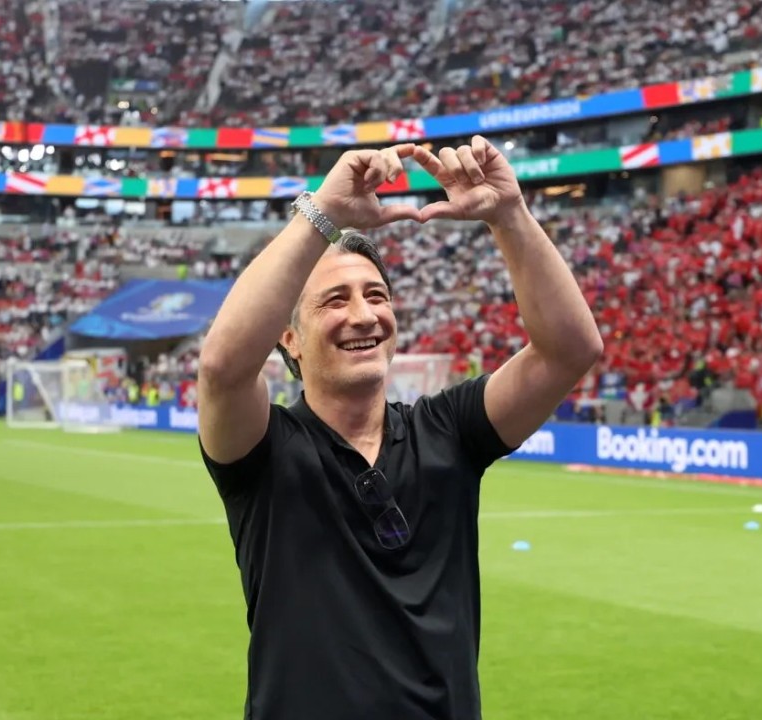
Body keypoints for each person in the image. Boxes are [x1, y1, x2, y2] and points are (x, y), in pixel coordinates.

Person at [196, 137, 603, 720]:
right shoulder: (263, 452)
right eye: (334, 301)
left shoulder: (449, 430)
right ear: (289, 340)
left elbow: (570, 350)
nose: (363, 315)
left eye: (376, 296)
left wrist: (510, 215)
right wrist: (322, 213)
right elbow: (222, 368)